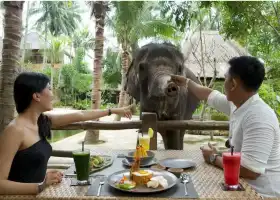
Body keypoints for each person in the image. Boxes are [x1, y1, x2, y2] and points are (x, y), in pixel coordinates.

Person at [0, 72, 134, 195]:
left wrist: (114, 110)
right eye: (49, 88)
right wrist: (40, 185)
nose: (53, 94)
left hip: (42, 194)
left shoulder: (42, 121)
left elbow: (81, 114)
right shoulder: (15, 131)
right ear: (36, 96)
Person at [171, 56, 280, 197]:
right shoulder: (238, 103)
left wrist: (213, 157)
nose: (224, 83)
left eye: (225, 78)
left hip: (260, 194)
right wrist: (186, 82)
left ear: (233, 84)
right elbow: (208, 94)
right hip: (239, 184)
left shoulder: (259, 117)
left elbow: (250, 171)